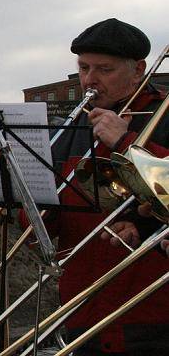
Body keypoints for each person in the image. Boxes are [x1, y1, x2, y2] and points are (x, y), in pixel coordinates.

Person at [30, 18, 169, 355]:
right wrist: (23, 193)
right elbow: (43, 226)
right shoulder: (71, 128)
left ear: (138, 70)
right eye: (84, 68)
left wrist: (125, 141)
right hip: (83, 307)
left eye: (104, 69)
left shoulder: (163, 116)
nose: (90, 79)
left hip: (151, 309)